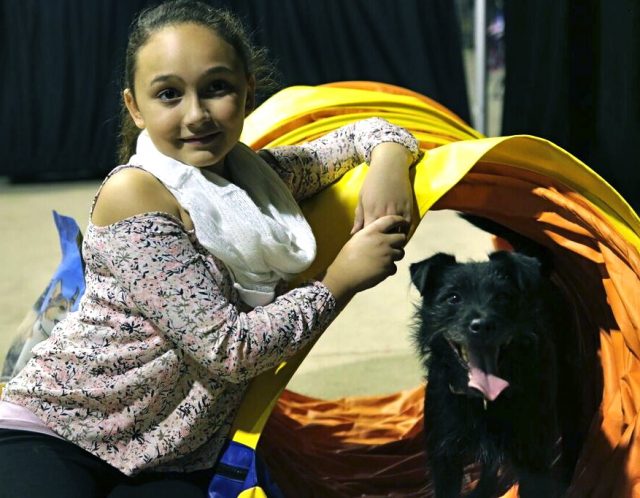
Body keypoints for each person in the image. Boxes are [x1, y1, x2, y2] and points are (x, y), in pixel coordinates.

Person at [0, 1, 420, 496]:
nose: (196, 115)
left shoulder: (260, 178)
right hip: (63, 429)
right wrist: (338, 282)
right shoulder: (136, 193)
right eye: (169, 94)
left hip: (174, 453)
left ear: (247, 91)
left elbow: (368, 131)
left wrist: (390, 159)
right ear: (135, 107)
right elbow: (228, 350)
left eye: (216, 88)